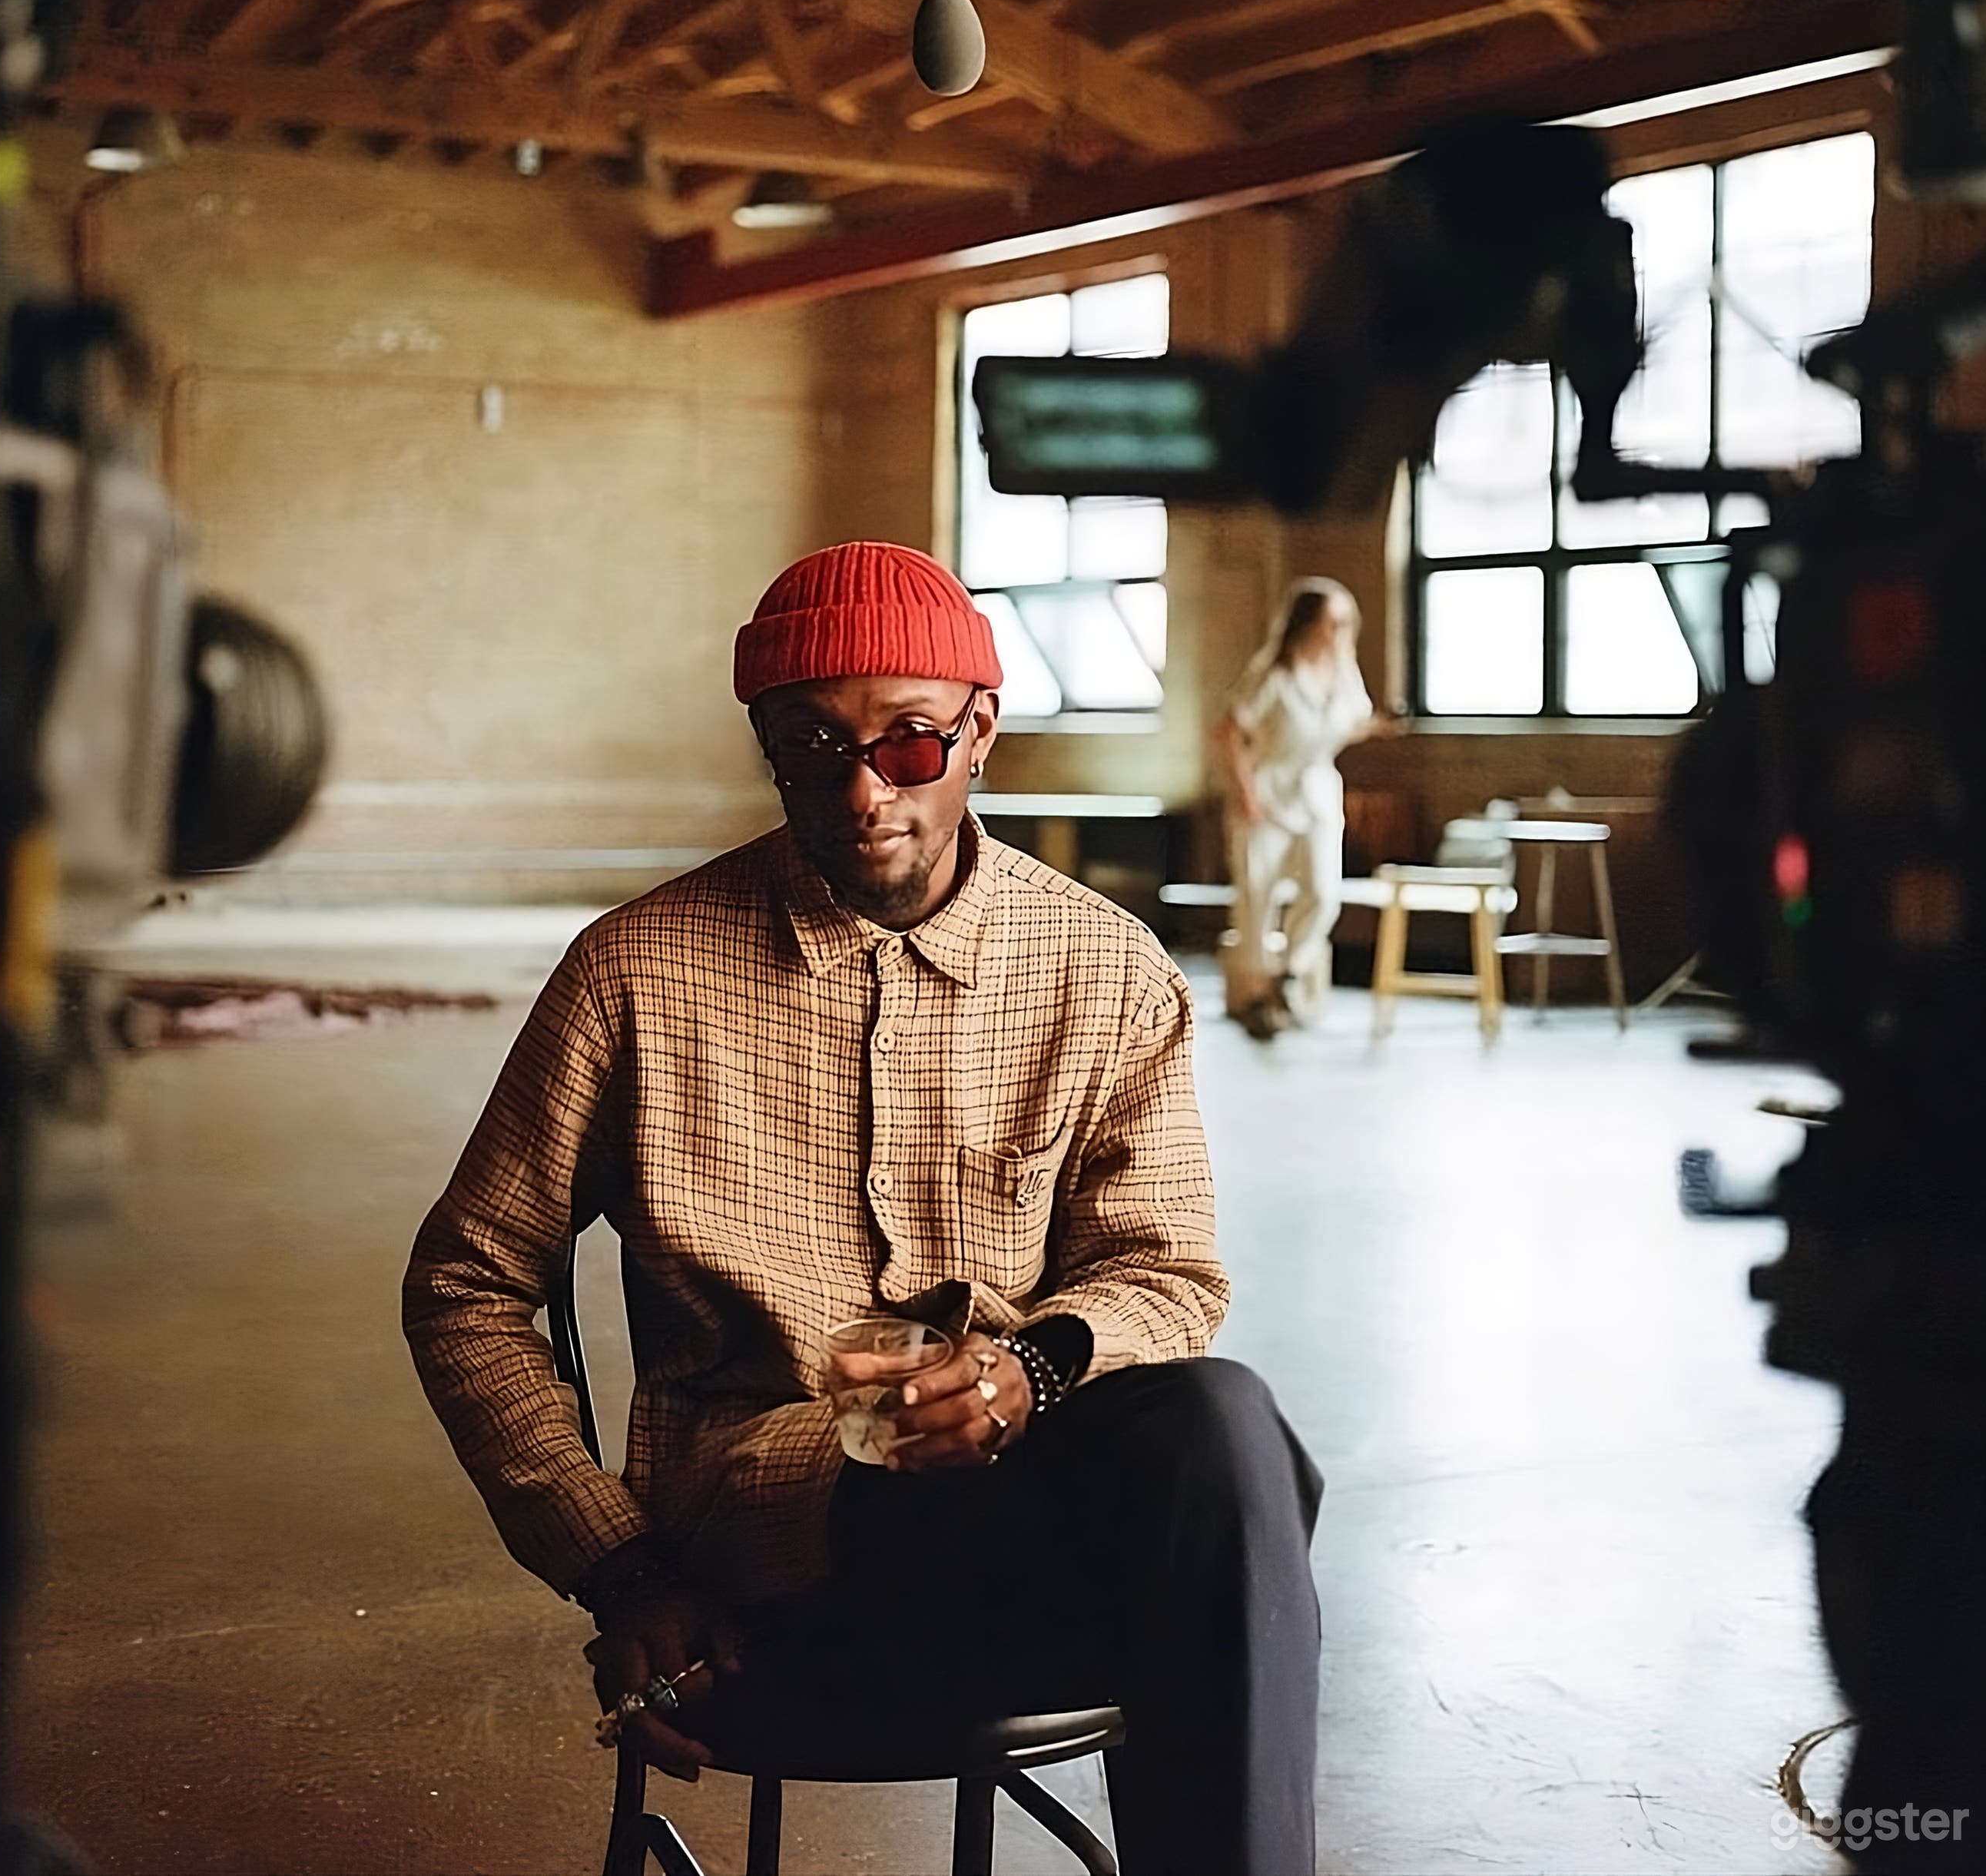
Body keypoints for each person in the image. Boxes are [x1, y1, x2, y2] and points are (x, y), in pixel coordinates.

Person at [404, 541, 1323, 1876]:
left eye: (908, 744)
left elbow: (1164, 1271)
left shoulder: (1107, 966)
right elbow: (468, 1288)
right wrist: (623, 1569)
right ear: (767, 745)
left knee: (1229, 1428)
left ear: (980, 731)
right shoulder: (634, 974)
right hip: (780, 1550)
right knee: (1233, 1545)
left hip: (1028, 1529)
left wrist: (1028, 1369)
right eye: (811, 744)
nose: (859, 790)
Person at [1217, 578, 1385, 1039]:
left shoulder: (1343, 675)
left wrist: (1377, 729)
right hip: (1268, 790)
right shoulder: (1274, 675)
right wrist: (1245, 789)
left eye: (1344, 623)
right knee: (1258, 894)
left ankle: (1288, 973)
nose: (1338, 632)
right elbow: (1228, 730)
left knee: (1323, 892)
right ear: (1308, 624)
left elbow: (1348, 724)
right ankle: (1254, 996)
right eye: (1331, 623)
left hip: (1317, 792)